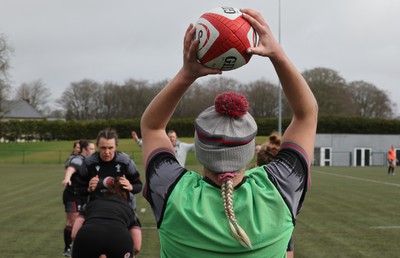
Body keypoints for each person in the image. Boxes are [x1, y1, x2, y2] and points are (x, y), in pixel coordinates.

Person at [140, 8, 318, 257]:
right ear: (249, 150)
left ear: (200, 149)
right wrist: (277, 54)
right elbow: (306, 115)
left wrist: (186, 74)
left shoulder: (173, 193)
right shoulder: (280, 190)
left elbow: (152, 126)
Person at [82, 128, 143, 255]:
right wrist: (88, 188)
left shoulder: (125, 161)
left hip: (124, 210)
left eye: (110, 148)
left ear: (116, 146)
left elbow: (139, 185)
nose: (107, 152)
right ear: (97, 146)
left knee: (135, 247)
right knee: (79, 238)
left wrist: (130, 187)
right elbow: (78, 188)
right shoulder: (88, 163)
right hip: (97, 212)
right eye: (103, 148)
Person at [71, 176, 138, 258]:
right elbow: (137, 246)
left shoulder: (92, 204)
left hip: (88, 234)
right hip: (119, 237)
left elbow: (74, 234)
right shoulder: (129, 209)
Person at [61, 139, 95, 257]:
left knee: (84, 223)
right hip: (73, 195)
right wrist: (67, 178)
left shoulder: (90, 161)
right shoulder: (78, 159)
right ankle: (68, 249)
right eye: (91, 149)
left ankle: (80, 248)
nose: (93, 151)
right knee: (72, 223)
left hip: (84, 195)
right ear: (84, 150)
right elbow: (71, 168)